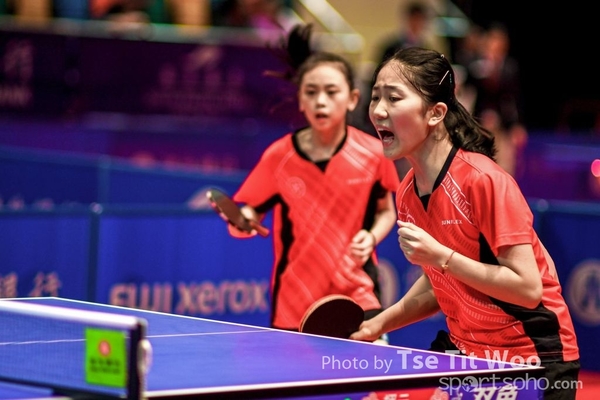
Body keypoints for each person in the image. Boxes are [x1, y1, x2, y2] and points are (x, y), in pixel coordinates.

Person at [350, 47, 580, 400]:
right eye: (376, 96)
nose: (378, 110)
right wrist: (378, 323)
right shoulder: (408, 191)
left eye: (394, 98)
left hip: (531, 357)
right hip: (468, 351)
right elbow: (440, 285)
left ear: (435, 113)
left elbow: (527, 288)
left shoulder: (483, 180)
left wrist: (442, 257)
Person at [227, 25, 400, 334]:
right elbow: (250, 211)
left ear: (352, 98)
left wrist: (372, 237)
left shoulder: (374, 153)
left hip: (358, 291)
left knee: (368, 363)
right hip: (295, 300)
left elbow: (387, 211)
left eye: (331, 92)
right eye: (311, 92)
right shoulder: (279, 156)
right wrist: (244, 221)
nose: (321, 101)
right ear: (300, 100)